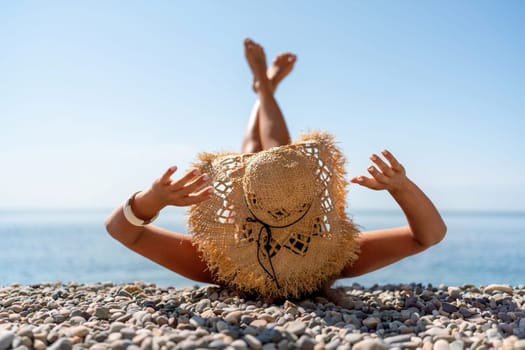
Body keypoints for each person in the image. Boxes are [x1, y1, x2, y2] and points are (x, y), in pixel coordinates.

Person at [105, 38, 446, 299]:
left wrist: (152, 200)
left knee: (262, 160)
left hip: (248, 217)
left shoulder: (219, 263)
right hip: (277, 214)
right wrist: (401, 187)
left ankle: (263, 88)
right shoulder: (336, 259)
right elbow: (428, 236)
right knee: (272, 161)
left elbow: (121, 230)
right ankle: (264, 88)